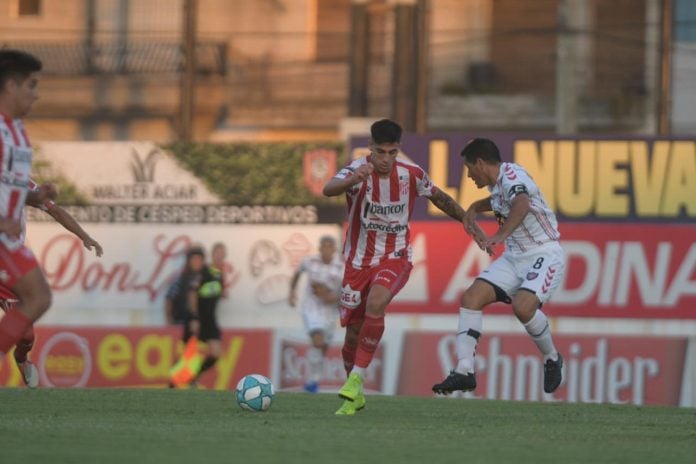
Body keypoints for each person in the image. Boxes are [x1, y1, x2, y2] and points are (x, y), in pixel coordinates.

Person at [323, 119, 483, 415]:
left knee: (377, 301)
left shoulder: (411, 174)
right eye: (380, 152)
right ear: (370, 148)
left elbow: (440, 197)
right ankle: (354, 392)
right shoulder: (357, 170)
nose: (385, 159)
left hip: (395, 256)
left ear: (398, 150)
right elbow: (328, 189)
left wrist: (467, 221)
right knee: (352, 337)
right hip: (357, 263)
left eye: (392, 152)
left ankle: (357, 377)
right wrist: (351, 180)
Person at [432, 138, 565, 396]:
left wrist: (500, 235)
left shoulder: (513, 175)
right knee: (471, 297)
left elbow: (522, 204)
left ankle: (552, 358)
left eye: (470, 168)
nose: (469, 175)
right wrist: (474, 207)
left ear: (480, 163)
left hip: (544, 253)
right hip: (515, 258)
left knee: (523, 307)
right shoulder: (499, 185)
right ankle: (464, 370)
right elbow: (499, 201)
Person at [0, 179, 103, 387]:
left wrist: (84, 236)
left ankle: (21, 359)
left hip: (8, 267)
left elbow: (54, 210)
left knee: (26, 335)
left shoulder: (19, 182)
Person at [0, 49, 54, 369]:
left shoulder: (18, 132)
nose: (36, 94)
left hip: (8, 239)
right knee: (36, 297)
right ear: (10, 86)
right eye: (30, 86)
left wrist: (37, 197)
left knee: (39, 298)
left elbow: (12, 189)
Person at [288, 235, 343, 393]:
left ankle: (313, 380)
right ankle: (312, 383)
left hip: (331, 310)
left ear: (334, 249)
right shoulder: (309, 261)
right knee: (317, 340)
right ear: (319, 249)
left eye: (329, 247)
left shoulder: (341, 267)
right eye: (323, 246)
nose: (326, 250)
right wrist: (292, 292)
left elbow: (347, 292)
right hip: (311, 307)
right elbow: (297, 274)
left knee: (323, 346)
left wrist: (332, 297)